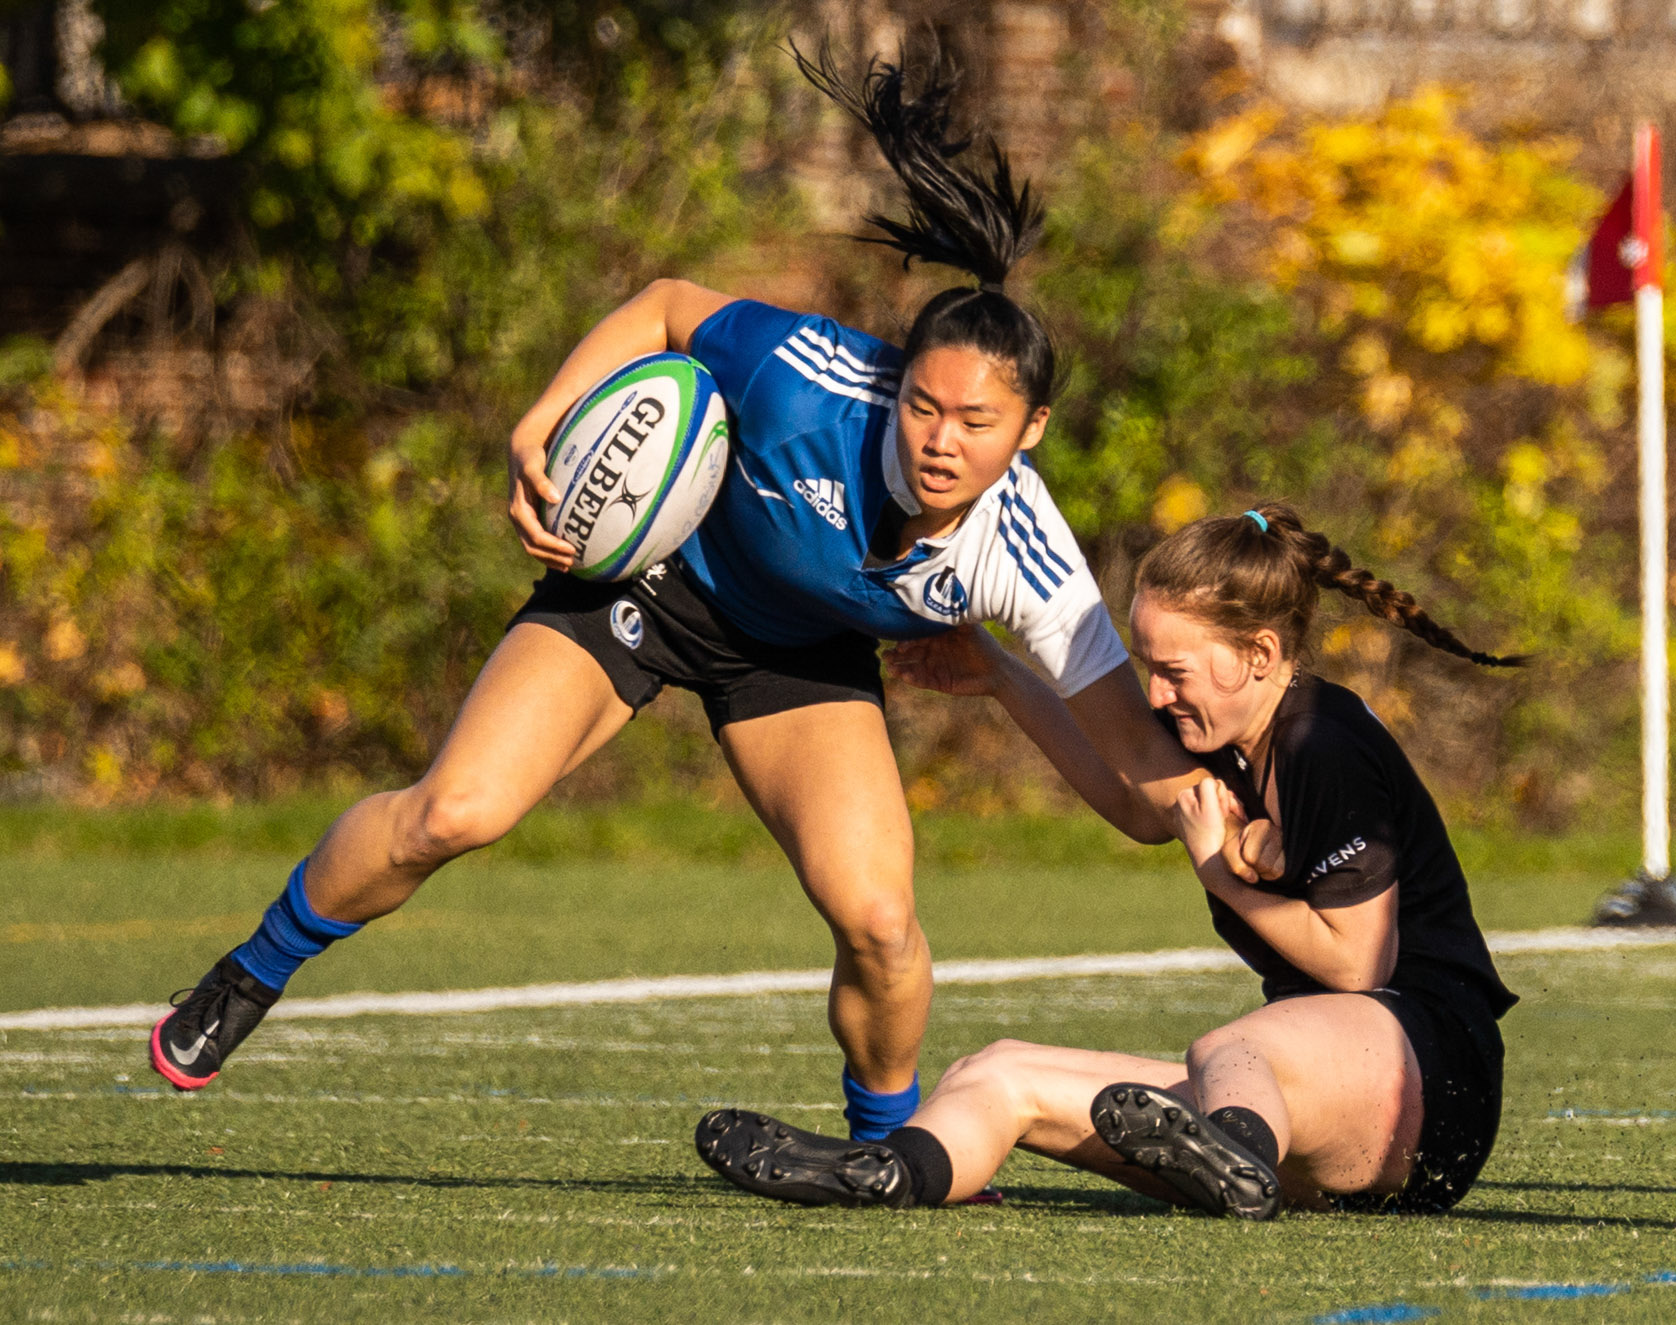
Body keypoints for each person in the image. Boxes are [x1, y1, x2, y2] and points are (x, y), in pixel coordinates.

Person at [145, 42, 1232, 1142]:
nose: (939, 439)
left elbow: (1143, 794)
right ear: (896, 383)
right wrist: (540, 424)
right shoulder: (808, 376)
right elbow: (668, 307)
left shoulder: (1027, 557)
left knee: (880, 924)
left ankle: (877, 1151)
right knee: (454, 812)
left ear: (1032, 429)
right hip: (654, 581)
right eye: (922, 405)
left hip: (800, 658)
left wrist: (1228, 787)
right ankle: (253, 968)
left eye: (976, 421)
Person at [696, 503, 1521, 1217]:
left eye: (1173, 671)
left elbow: (1357, 963)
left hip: (1429, 1077)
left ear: (1261, 654)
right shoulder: (1228, 737)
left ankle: (1232, 1161)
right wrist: (1000, 675)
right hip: (1307, 1097)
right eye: (1147, 666)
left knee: (1230, 1051)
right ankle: (888, 1169)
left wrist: (1219, 873)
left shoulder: (1321, 741)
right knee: (1000, 1071)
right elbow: (1132, 801)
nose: (1155, 693)